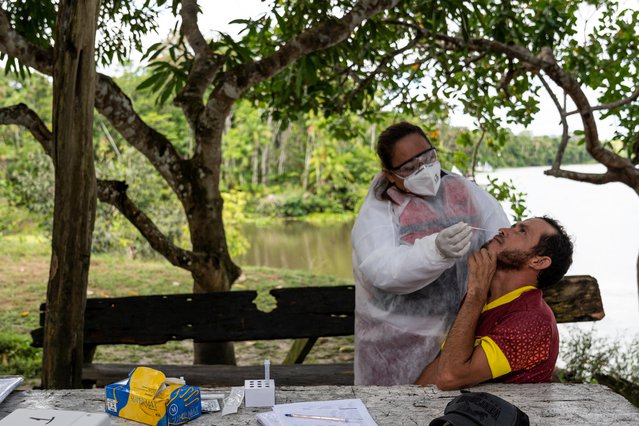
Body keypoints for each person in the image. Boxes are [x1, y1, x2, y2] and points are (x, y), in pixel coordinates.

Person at [352, 121, 510, 385]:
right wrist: (434, 251)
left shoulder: (462, 190)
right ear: (390, 174)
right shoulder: (380, 209)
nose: (424, 169)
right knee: (393, 413)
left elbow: (500, 234)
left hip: (464, 330)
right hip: (397, 340)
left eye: (427, 157)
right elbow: (382, 269)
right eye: (410, 167)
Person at [415, 216, 573, 389]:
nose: (504, 230)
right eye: (514, 226)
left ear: (538, 261)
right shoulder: (484, 298)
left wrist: (475, 295)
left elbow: (449, 377)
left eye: (521, 231)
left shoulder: (533, 321)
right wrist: (408, 403)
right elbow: (441, 364)